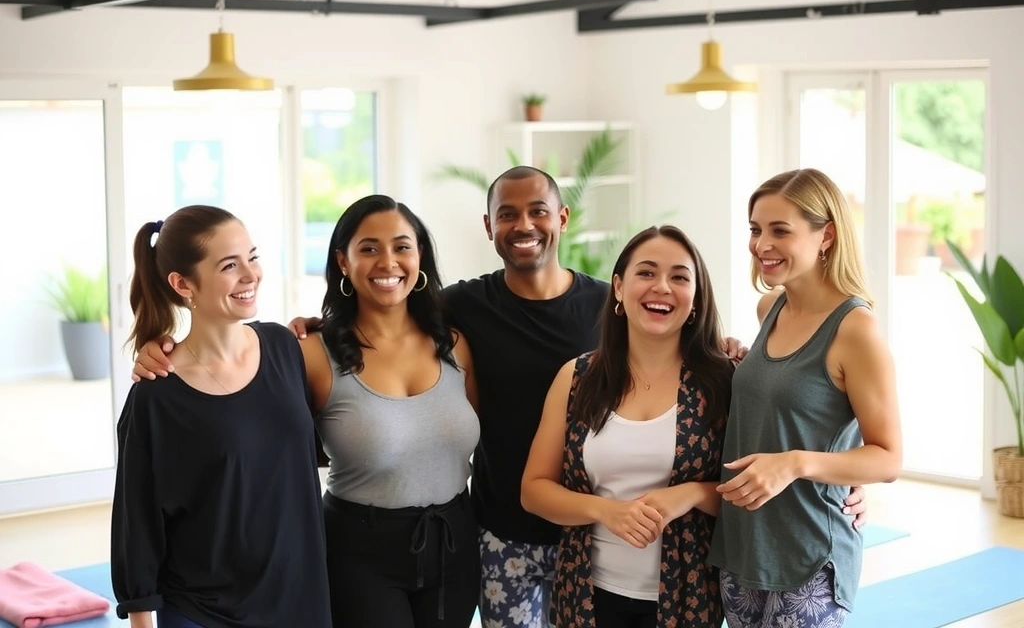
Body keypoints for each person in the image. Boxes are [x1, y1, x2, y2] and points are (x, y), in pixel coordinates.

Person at [136, 167, 868, 628]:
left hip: (619, 553)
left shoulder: (683, 348)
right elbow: (250, 373)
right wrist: (169, 345)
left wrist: (836, 483)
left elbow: (790, 412)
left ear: (562, 220)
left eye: (539, 211)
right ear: (486, 228)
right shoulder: (450, 317)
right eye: (369, 249)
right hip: (501, 530)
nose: (524, 226)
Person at [129, 196, 482, 628]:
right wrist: (164, 352)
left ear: (421, 254)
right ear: (343, 262)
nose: (388, 261)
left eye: (402, 246)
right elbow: (259, 433)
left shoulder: (455, 343)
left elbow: (288, 440)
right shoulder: (307, 351)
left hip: (450, 544)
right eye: (369, 248)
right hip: (354, 551)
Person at [112, 205, 331, 628]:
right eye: (230, 265)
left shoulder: (286, 347)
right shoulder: (157, 395)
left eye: (253, 256)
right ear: (182, 284)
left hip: (300, 601)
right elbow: (135, 521)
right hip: (204, 612)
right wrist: (142, 620)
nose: (251, 275)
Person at [708, 168, 903, 627]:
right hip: (742, 541)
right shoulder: (768, 309)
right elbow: (787, 402)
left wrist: (796, 463)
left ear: (826, 236)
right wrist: (737, 358)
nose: (761, 244)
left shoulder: (856, 330)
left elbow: (888, 458)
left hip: (808, 552)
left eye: (781, 230)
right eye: (756, 229)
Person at [521, 225, 733, 628]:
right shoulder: (578, 376)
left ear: (696, 297)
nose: (662, 287)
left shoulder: (723, 382)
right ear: (618, 287)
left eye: (679, 277)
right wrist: (608, 512)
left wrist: (691, 494)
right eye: (646, 273)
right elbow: (534, 491)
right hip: (586, 594)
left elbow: (751, 494)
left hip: (687, 598)